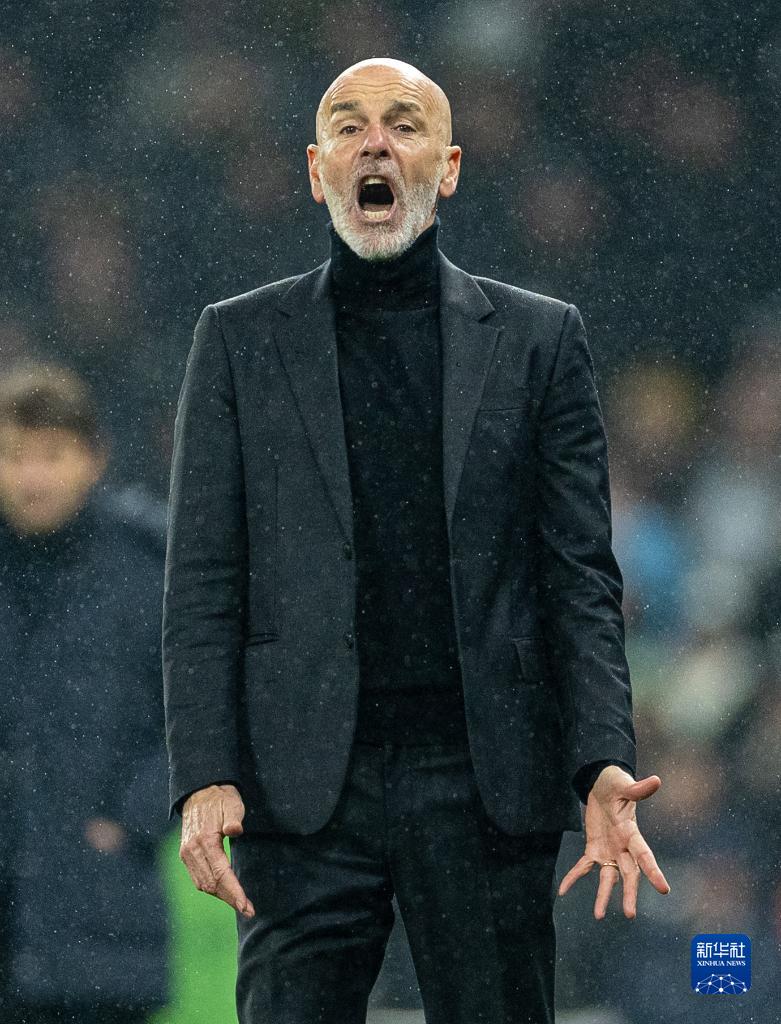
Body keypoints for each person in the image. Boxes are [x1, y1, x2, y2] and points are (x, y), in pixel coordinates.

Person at [163, 57, 670, 1024]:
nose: (375, 144)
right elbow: (202, 583)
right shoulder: (235, 339)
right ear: (316, 169)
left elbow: (577, 578)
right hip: (299, 786)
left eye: (403, 124)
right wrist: (205, 773)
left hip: (483, 780)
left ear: (449, 166)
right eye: (348, 126)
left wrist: (599, 757)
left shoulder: (539, 340)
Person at [0, 364, 170, 1024]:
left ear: (93, 458)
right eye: (15, 456)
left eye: (51, 455)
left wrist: (135, 818)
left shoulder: (147, 569)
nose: (32, 477)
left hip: (104, 912)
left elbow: (195, 712)